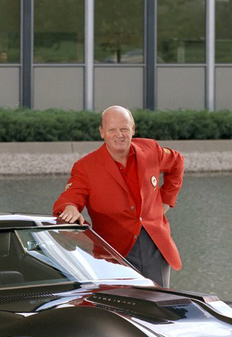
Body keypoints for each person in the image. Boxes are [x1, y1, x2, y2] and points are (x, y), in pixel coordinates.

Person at [53, 105, 184, 287]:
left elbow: (177, 162)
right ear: (102, 132)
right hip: (113, 250)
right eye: (112, 130)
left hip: (155, 245)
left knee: (160, 301)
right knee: (122, 302)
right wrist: (70, 208)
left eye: (124, 129)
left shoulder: (150, 149)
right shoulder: (86, 167)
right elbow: (70, 197)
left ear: (133, 129)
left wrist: (167, 200)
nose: (119, 135)